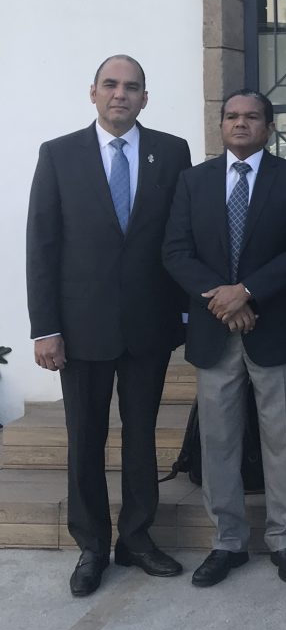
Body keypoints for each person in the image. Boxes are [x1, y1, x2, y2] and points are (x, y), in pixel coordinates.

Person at [26, 55, 192, 597]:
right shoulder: (59, 154)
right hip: (80, 328)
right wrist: (45, 327)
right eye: (111, 85)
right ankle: (92, 546)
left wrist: (185, 312)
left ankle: (137, 538)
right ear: (93, 92)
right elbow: (42, 245)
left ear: (145, 98)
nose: (121, 94)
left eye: (132, 87)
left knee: (141, 437)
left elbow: (180, 237)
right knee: (85, 439)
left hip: (149, 324)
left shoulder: (171, 151)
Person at [163, 89, 286, 588]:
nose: (240, 123)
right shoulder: (193, 181)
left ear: (268, 127)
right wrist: (225, 299)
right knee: (219, 440)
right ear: (221, 125)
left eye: (252, 117)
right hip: (215, 329)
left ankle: (284, 539)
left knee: (281, 440)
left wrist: (247, 292)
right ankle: (227, 541)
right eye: (231, 116)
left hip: (276, 327)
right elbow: (176, 251)